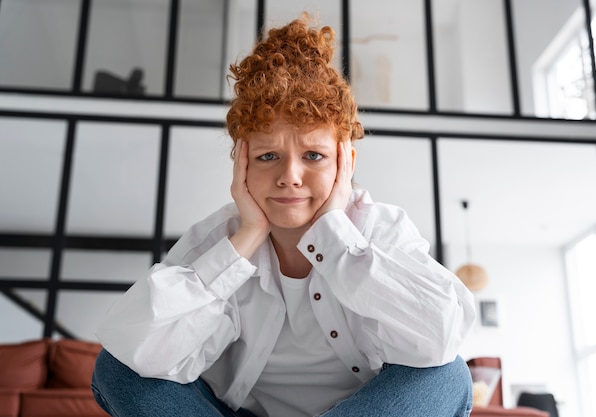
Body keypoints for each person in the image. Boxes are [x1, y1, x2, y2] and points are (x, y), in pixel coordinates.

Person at [91, 13, 476, 417]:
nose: (289, 177)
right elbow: (133, 346)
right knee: (117, 370)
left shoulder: (381, 229)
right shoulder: (218, 240)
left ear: (345, 163)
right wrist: (245, 241)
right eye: (267, 156)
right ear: (241, 164)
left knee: (447, 375)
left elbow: (442, 333)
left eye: (314, 155)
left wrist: (336, 241)